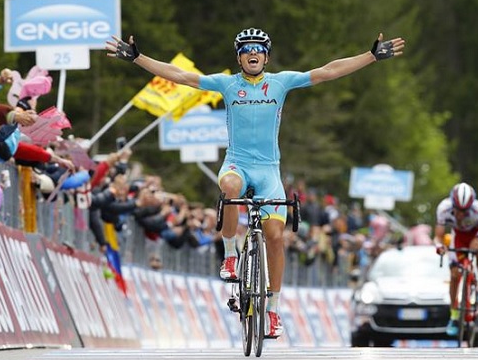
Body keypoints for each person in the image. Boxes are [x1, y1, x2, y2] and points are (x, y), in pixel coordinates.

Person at [105, 27, 406, 338]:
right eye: (246, 48)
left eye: (258, 49)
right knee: (231, 188)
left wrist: (370, 56)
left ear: (267, 56)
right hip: (237, 164)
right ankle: (231, 255)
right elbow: (179, 75)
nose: (253, 53)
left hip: (269, 171)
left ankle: (272, 311)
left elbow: (328, 72)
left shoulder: (280, 82)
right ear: (239, 56)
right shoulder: (227, 84)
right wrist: (138, 58)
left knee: (275, 237)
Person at [434, 182, 478, 336]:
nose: (461, 214)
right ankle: (454, 316)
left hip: (475, 234)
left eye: (465, 210)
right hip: (458, 237)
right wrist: (440, 246)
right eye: (458, 210)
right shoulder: (443, 208)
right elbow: (438, 236)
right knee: (454, 275)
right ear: (452, 203)